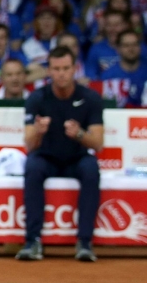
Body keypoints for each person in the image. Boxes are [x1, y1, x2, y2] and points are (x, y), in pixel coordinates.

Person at [18, 47, 104, 263]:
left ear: (75, 69)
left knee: (92, 168)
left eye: (66, 68)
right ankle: (33, 241)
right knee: (32, 166)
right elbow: (29, 145)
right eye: (56, 69)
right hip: (47, 157)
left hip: (77, 157)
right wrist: (38, 131)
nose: (61, 73)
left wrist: (81, 134)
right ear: (49, 71)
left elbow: (99, 143)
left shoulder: (90, 97)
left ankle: (85, 242)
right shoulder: (37, 98)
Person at [100, 29, 147, 107]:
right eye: (126, 45)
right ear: (118, 49)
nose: (131, 49)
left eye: (135, 44)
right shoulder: (108, 76)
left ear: (140, 47)